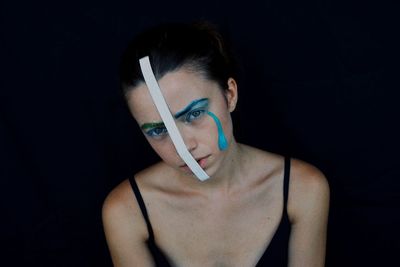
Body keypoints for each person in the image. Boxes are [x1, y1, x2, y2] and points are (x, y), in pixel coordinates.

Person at [102, 21, 330, 267]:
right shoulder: (126, 211)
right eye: (159, 130)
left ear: (229, 95)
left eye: (194, 114)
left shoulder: (303, 189)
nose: (183, 147)